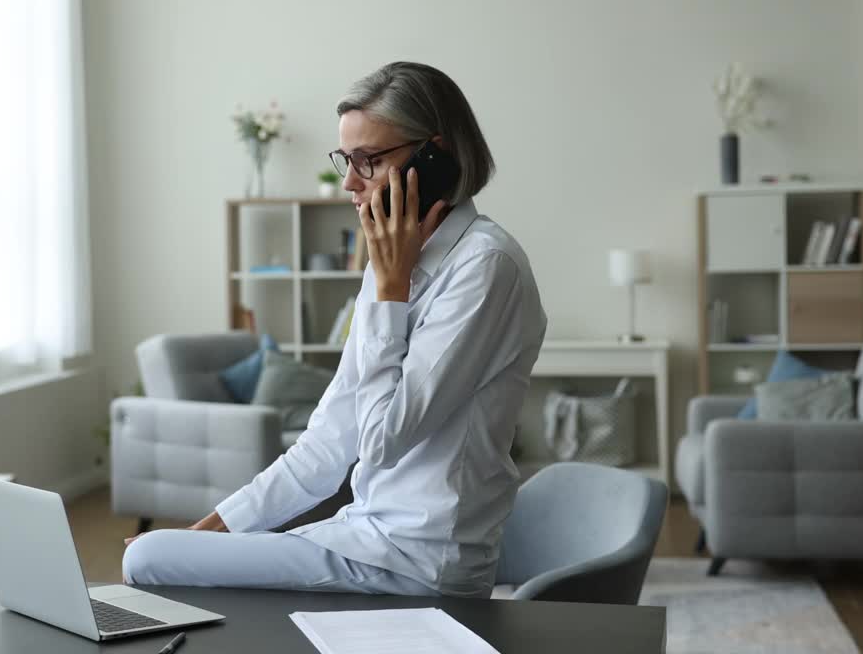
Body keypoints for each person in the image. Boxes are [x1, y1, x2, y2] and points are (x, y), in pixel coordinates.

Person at [122, 61, 547, 598]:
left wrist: (390, 293)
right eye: (347, 159)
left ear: (434, 155)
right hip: (362, 537)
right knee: (166, 553)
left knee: (146, 558)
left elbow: (379, 442)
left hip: (420, 561)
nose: (349, 182)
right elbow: (328, 441)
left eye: (368, 160)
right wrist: (211, 532)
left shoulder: (485, 267)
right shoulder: (391, 263)